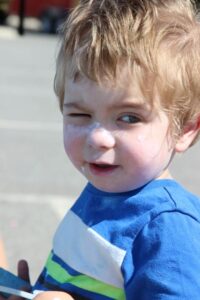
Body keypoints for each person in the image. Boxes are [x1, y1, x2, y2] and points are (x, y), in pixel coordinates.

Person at [2, 0, 200, 299]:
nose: (97, 138)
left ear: (184, 130)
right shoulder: (107, 191)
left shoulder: (167, 230)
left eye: (129, 118)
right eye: (80, 115)